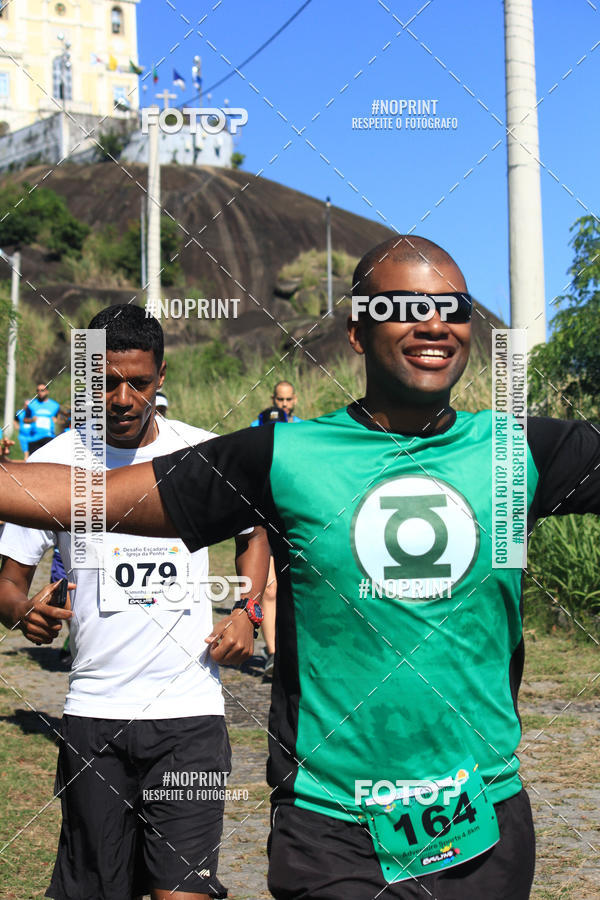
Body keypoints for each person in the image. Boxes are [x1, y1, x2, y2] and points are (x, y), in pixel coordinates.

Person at [2, 237, 600, 898]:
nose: (434, 323)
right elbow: (101, 496)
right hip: (331, 833)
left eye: (452, 307)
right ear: (356, 331)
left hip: (482, 827)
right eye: (404, 306)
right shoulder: (286, 455)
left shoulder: (518, 452)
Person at [0, 304, 269, 900]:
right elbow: (8, 582)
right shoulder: (51, 465)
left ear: (161, 376)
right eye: (104, 381)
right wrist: (23, 611)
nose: (121, 398)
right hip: (94, 712)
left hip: (190, 717)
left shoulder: (203, 453)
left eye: (138, 383)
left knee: (184, 892)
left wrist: (247, 612)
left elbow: (256, 535)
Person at [251, 383, 302, 678]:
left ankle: (294, 653)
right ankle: (272, 654)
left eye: (287, 400)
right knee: (269, 590)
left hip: (292, 521)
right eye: (279, 399)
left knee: (294, 590)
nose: (284, 404)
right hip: (262, 519)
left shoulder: (302, 433)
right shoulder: (254, 431)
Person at [27, 381, 60, 454]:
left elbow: (58, 418)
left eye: (42, 390)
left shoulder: (55, 405)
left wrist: (56, 420)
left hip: (48, 437)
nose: (40, 392)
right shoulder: (31, 404)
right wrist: (32, 420)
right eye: (38, 390)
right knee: (33, 463)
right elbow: (25, 419)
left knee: (47, 461)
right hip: (34, 438)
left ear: (47, 391)